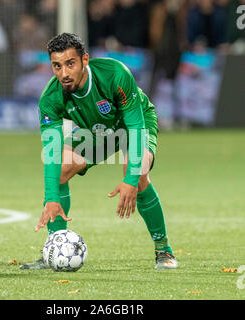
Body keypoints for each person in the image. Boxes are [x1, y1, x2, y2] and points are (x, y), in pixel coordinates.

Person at [20, 33, 178, 270]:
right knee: (61, 169)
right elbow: (52, 151)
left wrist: (130, 179)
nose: (64, 73)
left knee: (140, 172)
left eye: (70, 64)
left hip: (133, 123)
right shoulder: (50, 99)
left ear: (85, 60)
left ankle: (163, 249)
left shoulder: (115, 74)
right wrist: (52, 197)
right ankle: (54, 247)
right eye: (57, 66)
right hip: (95, 132)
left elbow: (135, 127)